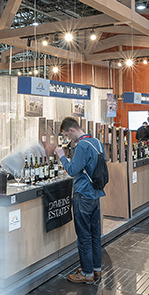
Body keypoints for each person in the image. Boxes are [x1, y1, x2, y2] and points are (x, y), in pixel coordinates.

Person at [57, 117, 106, 284]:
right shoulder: (96, 142)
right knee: (95, 234)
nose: (68, 138)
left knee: (84, 235)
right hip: (95, 194)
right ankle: (96, 269)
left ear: (71, 130)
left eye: (66, 135)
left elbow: (72, 170)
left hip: (83, 194)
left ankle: (86, 273)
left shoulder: (82, 146)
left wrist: (62, 156)